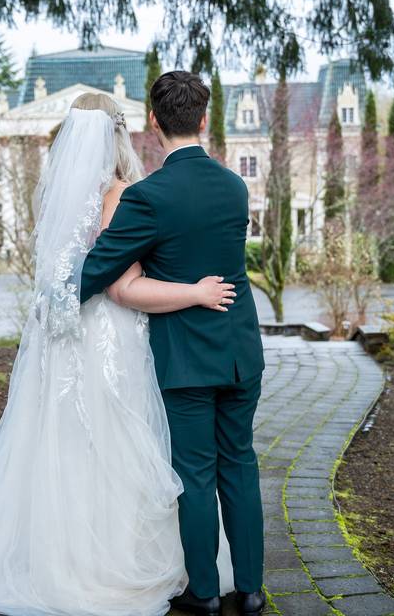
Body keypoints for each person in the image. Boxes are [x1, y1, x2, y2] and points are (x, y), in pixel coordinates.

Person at [0, 91, 236, 616]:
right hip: (109, 333)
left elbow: (62, 268)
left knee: (64, 439)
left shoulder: (53, 191)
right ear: (119, 133)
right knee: (117, 437)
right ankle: (112, 560)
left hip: (60, 334)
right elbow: (122, 285)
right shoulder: (122, 193)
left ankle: (55, 553)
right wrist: (193, 290)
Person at [81, 71, 266, 616]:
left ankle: (204, 594)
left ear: (153, 122)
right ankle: (251, 592)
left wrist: (60, 299)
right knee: (240, 463)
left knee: (195, 473)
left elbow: (101, 268)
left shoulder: (147, 197)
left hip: (185, 357)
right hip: (239, 351)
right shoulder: (235, 186)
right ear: (204, 119)